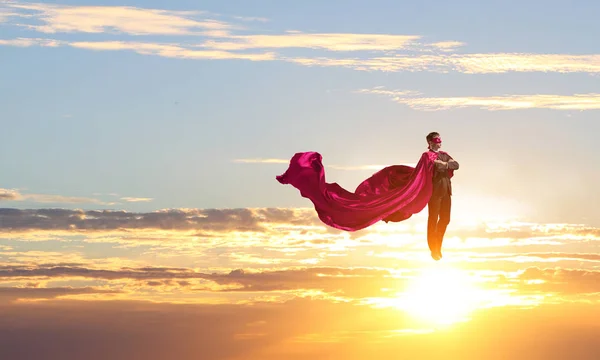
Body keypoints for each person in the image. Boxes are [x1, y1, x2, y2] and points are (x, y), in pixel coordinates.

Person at [425, 132, 459, 260]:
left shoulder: (444, 155)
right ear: (430, 142)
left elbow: (456, 165)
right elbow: (433, 166)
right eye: (436, 139)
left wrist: (444, 164)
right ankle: (433, 248)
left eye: (440, 139)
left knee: (445, 219)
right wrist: (445, 164)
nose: (439, 142)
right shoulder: (427, 156)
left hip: (446, 192)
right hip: (434, 192)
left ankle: (438, 245)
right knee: (433, 219)